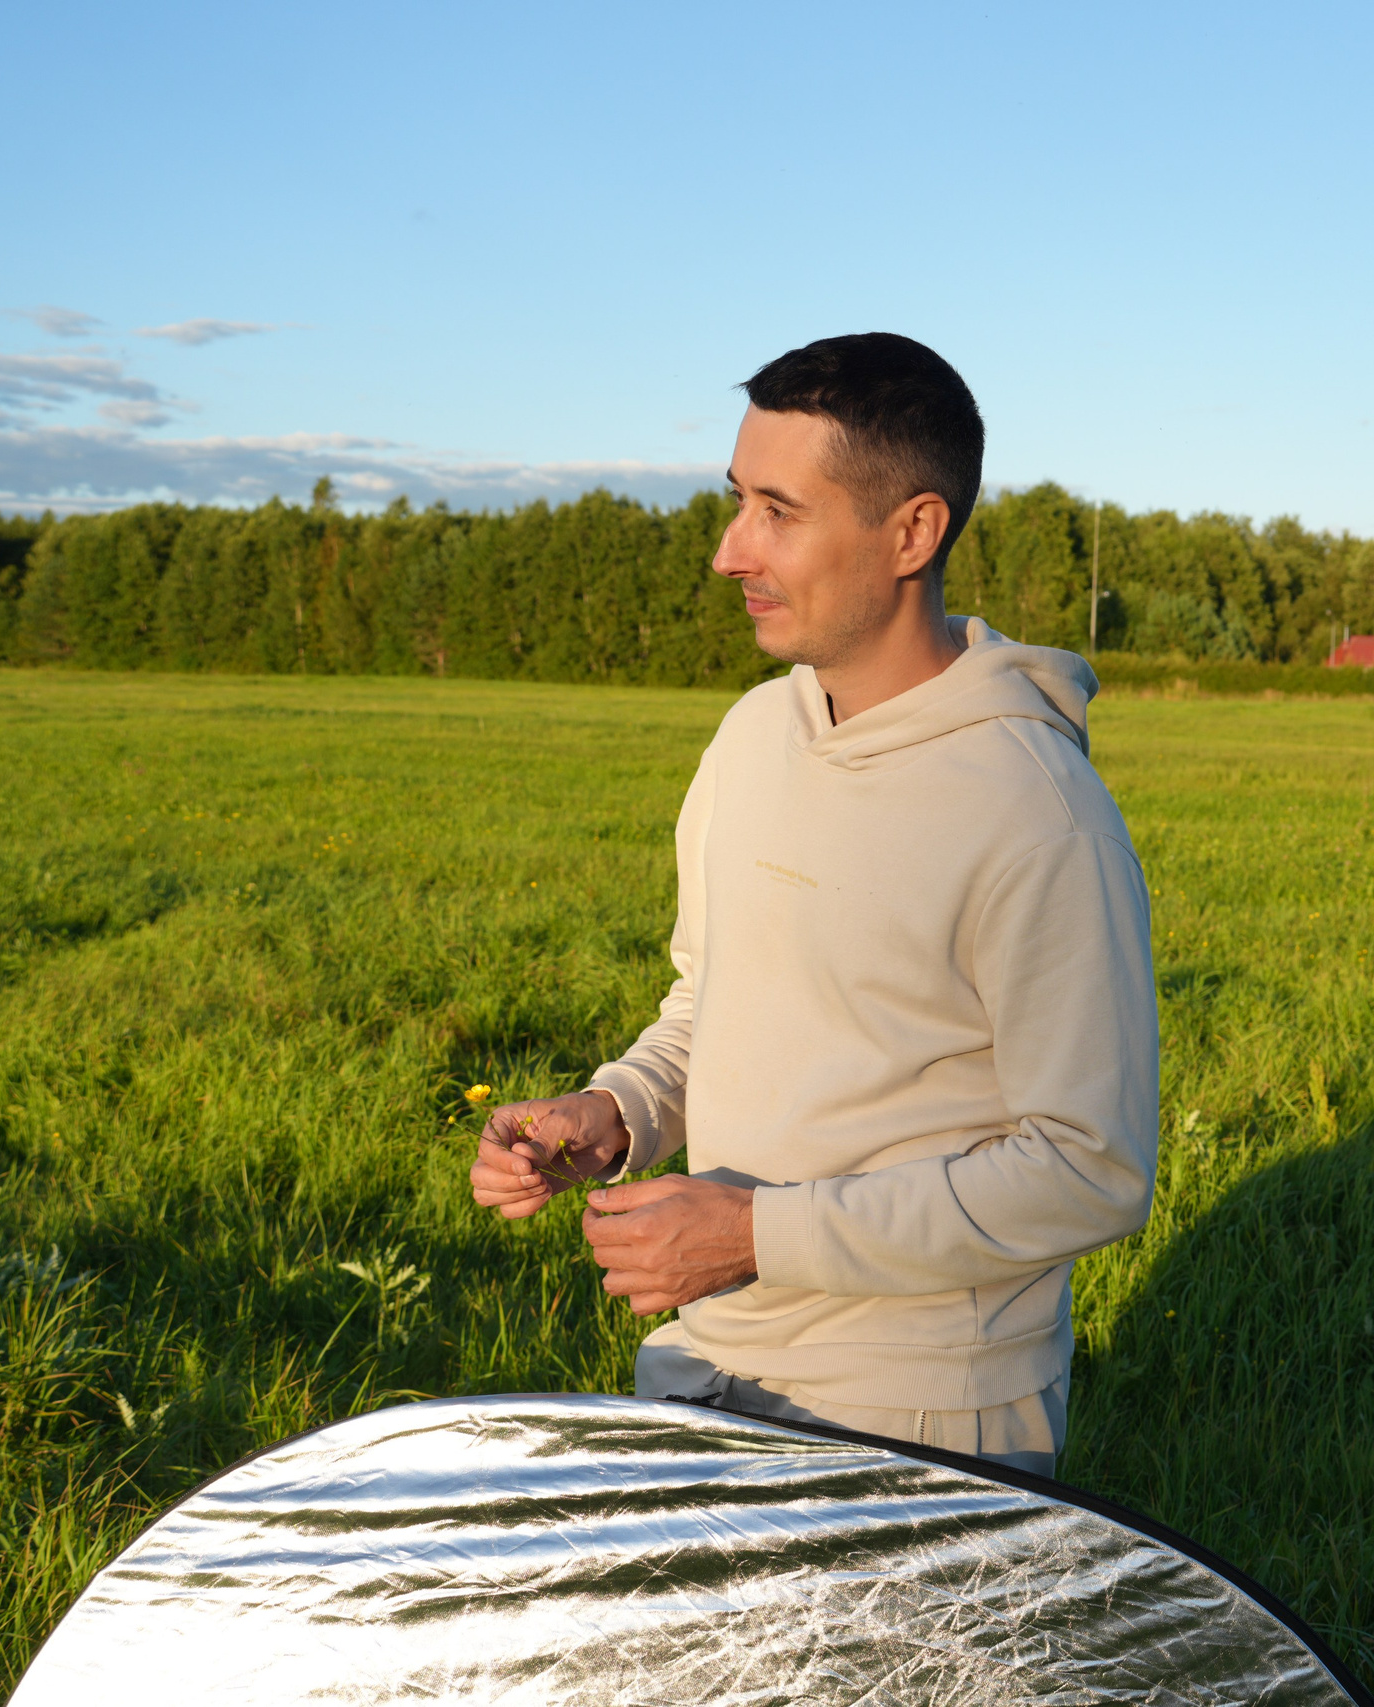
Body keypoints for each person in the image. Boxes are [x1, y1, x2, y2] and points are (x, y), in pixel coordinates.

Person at [468, 333, 1158, 1478]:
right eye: (736, 501)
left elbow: (1089, 1168)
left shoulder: (1037, 812)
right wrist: (615, 1110)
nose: (727, 552)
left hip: (920, 1420)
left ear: (912, 532)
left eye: (777, 513)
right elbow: (711, 1000)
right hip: (706, 1366)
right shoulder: (752, 736)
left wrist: (749, 1234)